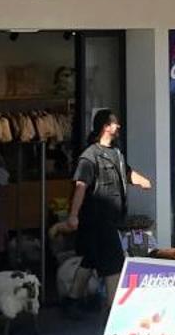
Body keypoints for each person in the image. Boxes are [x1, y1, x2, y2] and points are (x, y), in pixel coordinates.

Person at [63, 107, 151, 305]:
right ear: (105, 127)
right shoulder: (89, 156)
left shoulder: (117, 154)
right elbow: (80, 187)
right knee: (114, 263)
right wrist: (73, 215)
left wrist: (142, 181)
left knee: (91, 259)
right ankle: (114, 307)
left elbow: (127, 173)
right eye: (113, 123)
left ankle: (72, 300)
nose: (117, 126)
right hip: (97, 220)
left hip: (111, 218)